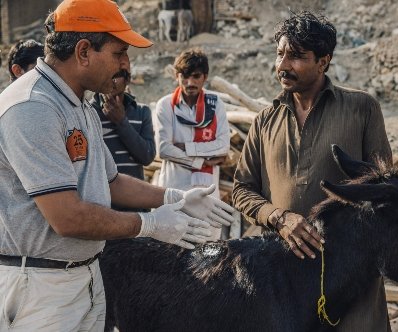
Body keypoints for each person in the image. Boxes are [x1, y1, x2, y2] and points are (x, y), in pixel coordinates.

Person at [0, 0, 235, 330]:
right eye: (119, 53)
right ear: (84, 51)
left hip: (84, 275)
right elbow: (67, 217)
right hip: (41, 287)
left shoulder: (80, 105)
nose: (126, 64)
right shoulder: (32, 107)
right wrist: (149, 225)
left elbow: (112, 182)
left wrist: (175, 198)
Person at [232, 11, 398, 331]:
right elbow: (242, 189)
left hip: (353, 279)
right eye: (280, 54)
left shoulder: (361, 109)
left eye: (297, 56)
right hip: (285, 279)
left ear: (324, 61)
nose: (283, 65)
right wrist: (279, 218)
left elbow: (387, 196)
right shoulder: (264, 121)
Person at [155, 48, 231, 240]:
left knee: (207, 249)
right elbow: (164, 149)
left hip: (207, 192)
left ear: (205, 77)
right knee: (172, 249)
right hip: (174, 190)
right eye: (185, 76)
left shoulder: (215, 104)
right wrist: (200, 161)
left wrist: (186, 147)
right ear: (176, 76)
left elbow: (223, 146)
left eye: (196, 76)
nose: (190, 83)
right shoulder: (165, 105)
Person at [90, 66, 155, 211]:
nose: (109, 80)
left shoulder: (142, 112)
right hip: (103, 207)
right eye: (104, 74)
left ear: (127, 80)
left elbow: (147, 156)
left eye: (115, 76)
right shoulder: (88, 113)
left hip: (137, 206)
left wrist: (121, 122)